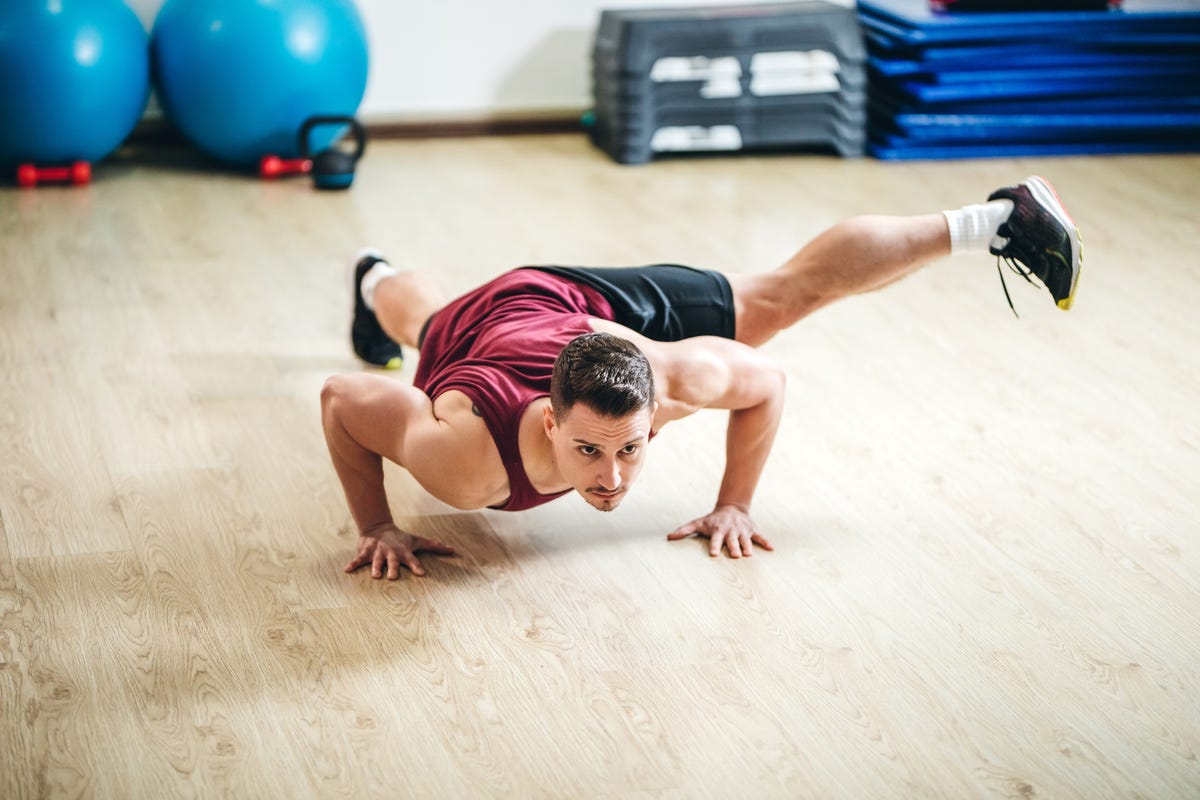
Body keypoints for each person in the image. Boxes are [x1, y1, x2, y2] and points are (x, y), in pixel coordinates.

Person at [321, 176, 1081, 579]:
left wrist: (734, 505)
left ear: (656, 416)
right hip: (487, 335)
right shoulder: (464, 463)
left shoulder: (673, 380)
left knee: (782, 298)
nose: (613, 478)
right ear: (552, 423)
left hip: (581, 309)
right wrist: (377, 526)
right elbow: (342, 399)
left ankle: (998, 221)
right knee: (427, 323)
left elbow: (769, 383)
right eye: (589, 451)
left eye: (630, 448)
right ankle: (372, 276)